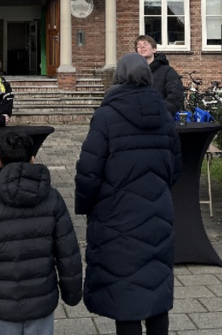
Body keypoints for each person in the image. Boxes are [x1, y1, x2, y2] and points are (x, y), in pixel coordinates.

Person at [75, 53, 182, 335]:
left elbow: (89, 169)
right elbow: (176, 165)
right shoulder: (163, 114)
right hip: (157, 213)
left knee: (125, 295)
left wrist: (85, 206)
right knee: (156, 288)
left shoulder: (107, 115)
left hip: (116, 216)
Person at [0, 131, 83, 334]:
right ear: (32, 159)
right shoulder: (53, 199)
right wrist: (72, 293)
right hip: (41, 299)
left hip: (4, 302)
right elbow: (68, 252)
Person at [134, 35, 184, 116]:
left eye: (145, 44)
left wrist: (154, 111)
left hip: (160, 120)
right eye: (138, 46)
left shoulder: (167, 72)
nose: (142, 47)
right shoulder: (133, 73)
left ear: (154, 49)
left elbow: (175, 100)